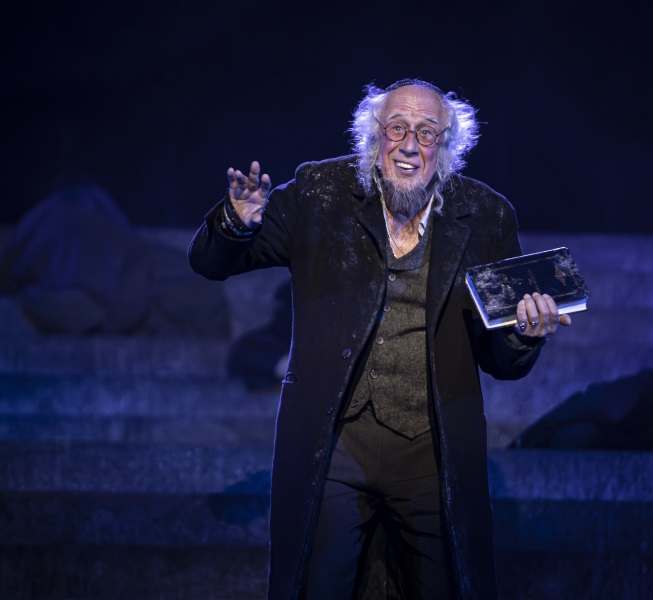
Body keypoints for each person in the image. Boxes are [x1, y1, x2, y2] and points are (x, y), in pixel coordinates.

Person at [188, 78, 572, 599]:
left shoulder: (486, 216)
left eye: (426, 133)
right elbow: (211, 264)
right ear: (375, 136)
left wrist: (525, 333)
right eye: (396, 129)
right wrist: (236, 224)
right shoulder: (320, 193)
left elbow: (500, 361)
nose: (409, 145)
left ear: (446, 146)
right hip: (335, 447)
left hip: (432, 454)